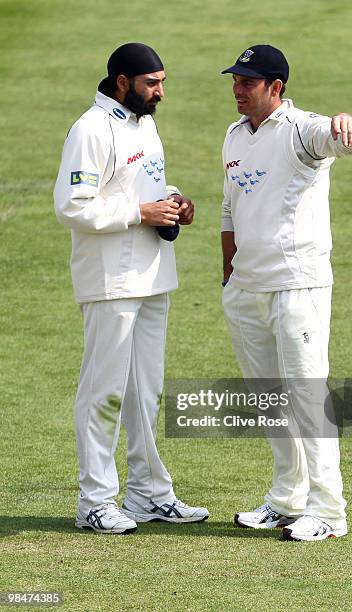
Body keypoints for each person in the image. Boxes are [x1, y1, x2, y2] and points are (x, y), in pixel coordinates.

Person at [54, 42, 209, 534]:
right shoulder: (90, 130)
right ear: (122, 82)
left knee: (146, 393)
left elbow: (144, 185)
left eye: (162, 81)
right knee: (104, 393)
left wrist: (173, 202)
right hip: (109, 281)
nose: (160, 91)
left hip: (153, 274)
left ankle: (147, 493)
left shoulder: (144, 122)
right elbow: (73, 205)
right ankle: (95, 502)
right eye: (152, 83)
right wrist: (139, 213)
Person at [220, 44, 352, 541]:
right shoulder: (234, 135)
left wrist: (348, 124)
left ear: (276, 88)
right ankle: (287, 498)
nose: (238, 90)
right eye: (236, 81)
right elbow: (229, 209)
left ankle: (329, 511)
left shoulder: (302, 131)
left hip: (297, 286)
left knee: (306, 396)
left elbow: (344, 140)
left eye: (249, 83)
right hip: (246, 288)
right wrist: (229, 275)